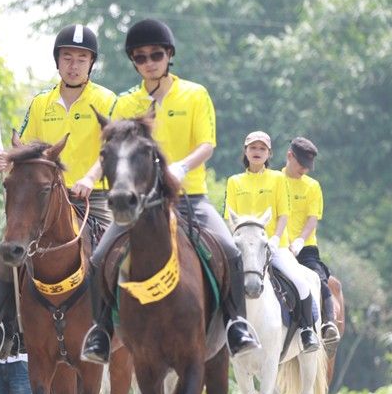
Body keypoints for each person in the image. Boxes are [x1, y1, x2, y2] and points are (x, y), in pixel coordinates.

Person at [81, 18, 261, 363]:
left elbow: (207, 144)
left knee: (230, 250)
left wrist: (181, 167)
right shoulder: (124, 103)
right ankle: (101, 332)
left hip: (189, 197)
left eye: (155, 55)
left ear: (169, 56)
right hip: (140, 205)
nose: (149, 62)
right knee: (100, 256)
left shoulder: (194, 94)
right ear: (134, 62)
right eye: (140, 57)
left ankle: (237, 324)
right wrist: (90, 178)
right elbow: (111, 152)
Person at [0, 24, 118, 358]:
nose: (73, 64)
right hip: (43, 197)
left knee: (113, 250)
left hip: (91, 196)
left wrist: (89, 178)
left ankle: (113, 326)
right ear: (58, 62)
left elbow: (111, 149)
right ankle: (2, 325)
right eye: (67, 57)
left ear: (91, 64)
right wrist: (6, 159)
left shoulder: (107, 101)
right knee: (9, 248)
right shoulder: (41, 103)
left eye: (81, 58)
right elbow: (24, 147)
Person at [225, 131, 320, 351]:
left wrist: (276, 237)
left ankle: (307, 330)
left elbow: (284, 213)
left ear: (269, 154)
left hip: (274, 245)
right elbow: (229, 216)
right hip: (244, 249)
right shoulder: (234, 181)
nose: (257, 152)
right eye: (253, 148)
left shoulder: (277, 178)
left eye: (262, 149)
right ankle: (223, 330)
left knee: (300, 282)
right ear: (245, 151)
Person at [281, 137, 340, 347]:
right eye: (301, 165)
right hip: (278, 246)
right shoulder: (273, 181)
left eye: (308, 166)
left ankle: (329, 324)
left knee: (319, 279)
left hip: (305, 247)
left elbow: (312, 219)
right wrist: (284, 241)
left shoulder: (312, 186)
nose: (304, 170)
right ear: (290, 156)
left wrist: (298, 241)